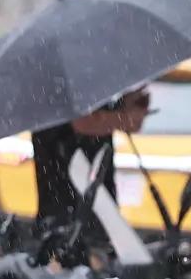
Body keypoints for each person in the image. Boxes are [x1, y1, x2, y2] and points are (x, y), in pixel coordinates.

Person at [30, 86, 150, 263]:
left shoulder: (90, 89)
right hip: (67, 213)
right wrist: (126, 118)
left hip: (98, 212)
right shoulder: (61, 87)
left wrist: (128, 104)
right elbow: (85, 123)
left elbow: (116, 122)